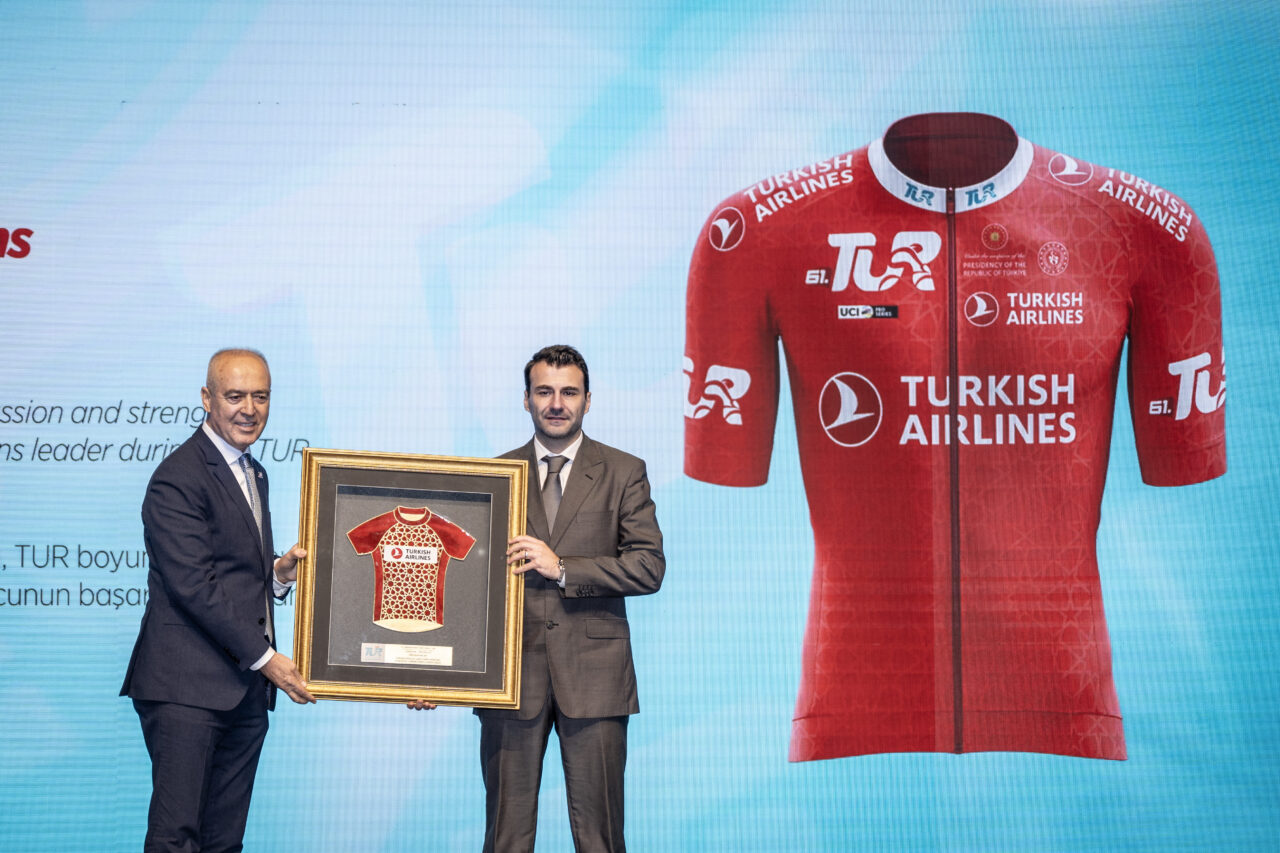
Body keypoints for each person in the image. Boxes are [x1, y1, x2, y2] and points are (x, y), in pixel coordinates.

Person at [431, 344, 664, 853]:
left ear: (587, 400)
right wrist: (438, 675)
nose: (557, 403)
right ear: (526, 399)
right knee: (506, 839)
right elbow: (466, 587)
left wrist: (563, 569)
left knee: (601, 839)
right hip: (509, 681)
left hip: (596, 680)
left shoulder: (624, 470)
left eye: (569, 393)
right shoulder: (495, 476)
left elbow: (649, 567)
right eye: (544, 392)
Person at [121, 348, 315, 852]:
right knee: (177, 837)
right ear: (207, 399)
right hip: (187, 688)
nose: (249, 409)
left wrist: (278, 575)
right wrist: (268, 660)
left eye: (260, 397)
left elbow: (234, 574)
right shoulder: (179, 476)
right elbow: (194, 586)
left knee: (224, 842)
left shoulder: (254, 471)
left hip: (242, 690)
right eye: (235, 396)